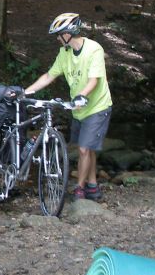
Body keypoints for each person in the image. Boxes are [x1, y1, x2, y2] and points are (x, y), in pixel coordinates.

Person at [24, 12, 112, 201]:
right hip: (79, 110)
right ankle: (93, 186)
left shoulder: (94, 49)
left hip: (97, 107)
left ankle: (79, 189)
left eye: (59, 34)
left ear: (68, 33)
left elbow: (94, 80)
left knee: (83, 149)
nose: (57, 38)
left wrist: (81, 95)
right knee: (87, 148)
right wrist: (27, 92)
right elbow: (49, 76)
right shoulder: (64, 53)